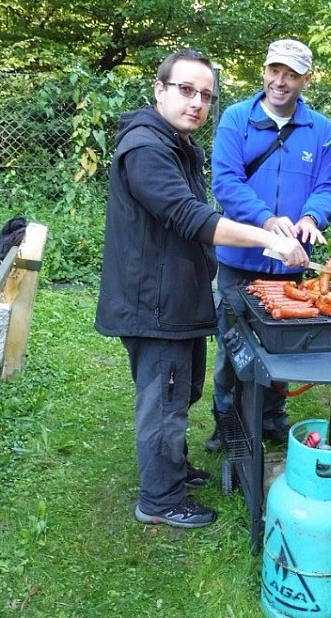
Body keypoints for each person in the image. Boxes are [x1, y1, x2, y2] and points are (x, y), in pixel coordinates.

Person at [95, 48, 308, 529]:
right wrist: (268, 239)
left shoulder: (173, 143)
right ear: (160, 90)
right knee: (164, 400)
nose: (196, 103)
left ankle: (172, 469)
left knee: (183, 388)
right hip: (155, 302)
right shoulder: (147, 149)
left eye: (205, 95)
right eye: (186, 90)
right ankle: (160, 499)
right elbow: (191, 217)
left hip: (177, 294)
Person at [205, 38, 331, 452]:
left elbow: (329, 186)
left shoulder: (320, 130)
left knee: (283, 347)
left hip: (291, 265)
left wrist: (310, 217)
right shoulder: (235, 119)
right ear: (264, 71)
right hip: (239, 257)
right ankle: (226, 421)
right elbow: (226, 183)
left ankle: (271, 418)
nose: (280, 82)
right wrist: (267, 219)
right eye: (274, 71)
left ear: (306, 79)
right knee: (233, 346)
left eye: (291, 74)